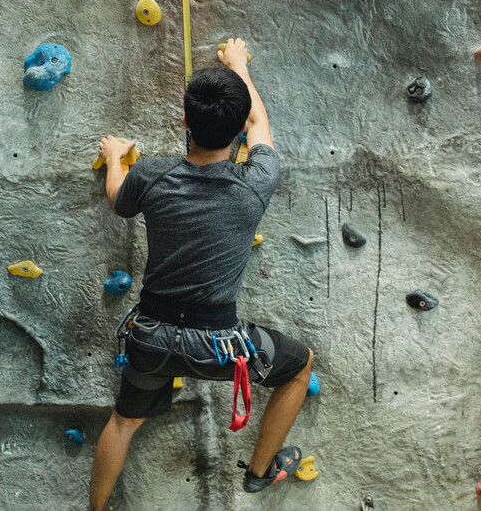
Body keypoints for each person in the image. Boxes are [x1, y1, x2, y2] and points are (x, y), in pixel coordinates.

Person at [88, 38, 314, 510]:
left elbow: (118, 200)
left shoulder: (150, 174)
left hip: (150, 338)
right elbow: (260, 124)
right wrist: (238, 68)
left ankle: (95, 510)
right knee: (300, 365)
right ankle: (258, 472)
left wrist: (114, 156)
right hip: (220, 348)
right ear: (238, 133)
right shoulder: (256, 181)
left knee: (124, 422)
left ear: (185, 121)